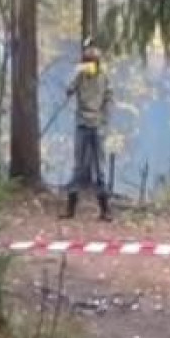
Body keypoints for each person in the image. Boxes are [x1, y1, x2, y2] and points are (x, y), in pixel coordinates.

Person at [62, 41, 112, 221]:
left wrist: (104, 121)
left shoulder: (104, 77)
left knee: (100, 168)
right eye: (87, 61)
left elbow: (108, 99)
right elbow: (68, 90)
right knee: (78, 166)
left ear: (98, 63)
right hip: (82, 124)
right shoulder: (81, 75)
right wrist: (77, 73)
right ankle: (70, 208)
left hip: (97, 125)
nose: (90, 65)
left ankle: (105, 209)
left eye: (93, 61)